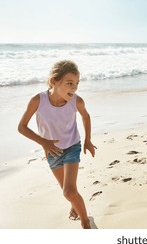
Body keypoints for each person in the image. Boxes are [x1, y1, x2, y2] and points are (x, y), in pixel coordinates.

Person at [18, 60, 97, 229]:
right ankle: (74, 204)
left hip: (72, 146)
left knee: (69, 191)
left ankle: (86, 223)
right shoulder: (37, 101)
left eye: (76, 83)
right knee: (68, 192)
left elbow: (86, 116)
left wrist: (88, 140)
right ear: (54, 81)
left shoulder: (77, 101)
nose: (74, 87)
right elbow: (22, 127)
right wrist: (43, 142)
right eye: (69, 83)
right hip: (51, 150)